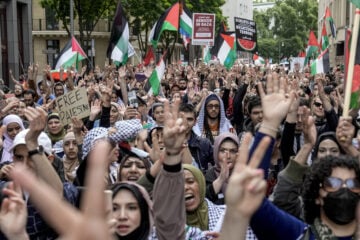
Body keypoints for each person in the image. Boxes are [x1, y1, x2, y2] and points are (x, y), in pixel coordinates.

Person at [205, 132, 240, 205]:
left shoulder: (244, 174)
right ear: (216, 152)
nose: (228, 156)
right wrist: (221, 179)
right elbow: (204, 200)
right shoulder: (209, 174)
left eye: (233, 151)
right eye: (223, 151)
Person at [179, 104, 214, 172]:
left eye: (189, 119)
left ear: (195, 122)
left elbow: (215, 168)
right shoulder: (168, 143)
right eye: (182, 119)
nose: (185, 123)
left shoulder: (205, 144)